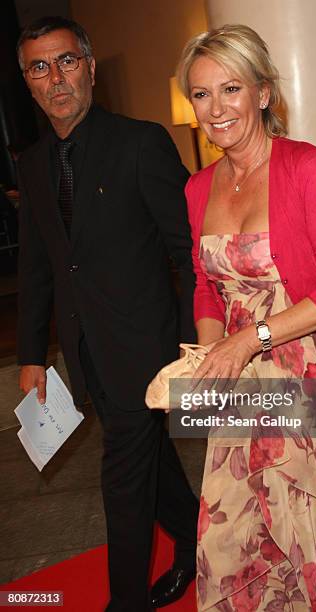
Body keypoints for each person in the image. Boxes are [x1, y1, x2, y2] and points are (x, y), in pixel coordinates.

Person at [176, 24, 316, 611]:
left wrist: (249, 339)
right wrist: (208, 352)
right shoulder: (198, 188)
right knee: (232, 544)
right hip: (241, 387)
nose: (216, 109)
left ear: (263, 93)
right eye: (201, 94)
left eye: (231, 90)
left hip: (309, 373)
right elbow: (206, 286)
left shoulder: (305, 167)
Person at [16, 16, 198, 611]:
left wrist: (192, 342)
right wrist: (29, 357)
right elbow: (40, 267)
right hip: (85, 351)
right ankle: (198, 537)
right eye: (39, 67)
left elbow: (187, 252)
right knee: (152, 462)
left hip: (147, 349)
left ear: (90, 68)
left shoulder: (141, 143)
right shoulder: (35, 165)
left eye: (66, 61)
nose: (55, 78)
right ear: (28, 82)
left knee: (122, 478)